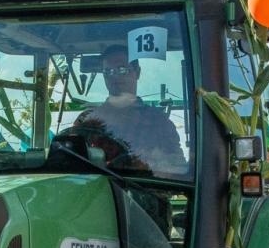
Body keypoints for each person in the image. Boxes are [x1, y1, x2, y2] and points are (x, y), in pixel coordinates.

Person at [71, 45, 188, 178]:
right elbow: (72, 167)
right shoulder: (87, 121)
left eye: (122, 70)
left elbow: (178, 170)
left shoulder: (158, 121)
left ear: (137, 72)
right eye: (108, 72)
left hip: (145, 193)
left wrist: (148, 166)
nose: (114, 76)